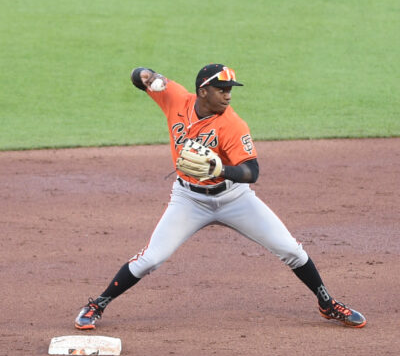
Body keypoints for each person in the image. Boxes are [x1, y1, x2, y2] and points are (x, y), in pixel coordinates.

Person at [75, 63, 366, 330]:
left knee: (290, 250)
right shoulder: (175, 98)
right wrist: (146, 77)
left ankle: (327, 303)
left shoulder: (233, 124)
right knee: (150, 259)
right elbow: (140, 75)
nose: (228, 96)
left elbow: (252, 172)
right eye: (222, 90)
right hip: (188, 200)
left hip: (234, 199)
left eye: (230, 90)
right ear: (203, 91)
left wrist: (219, 168)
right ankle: (96, 305)